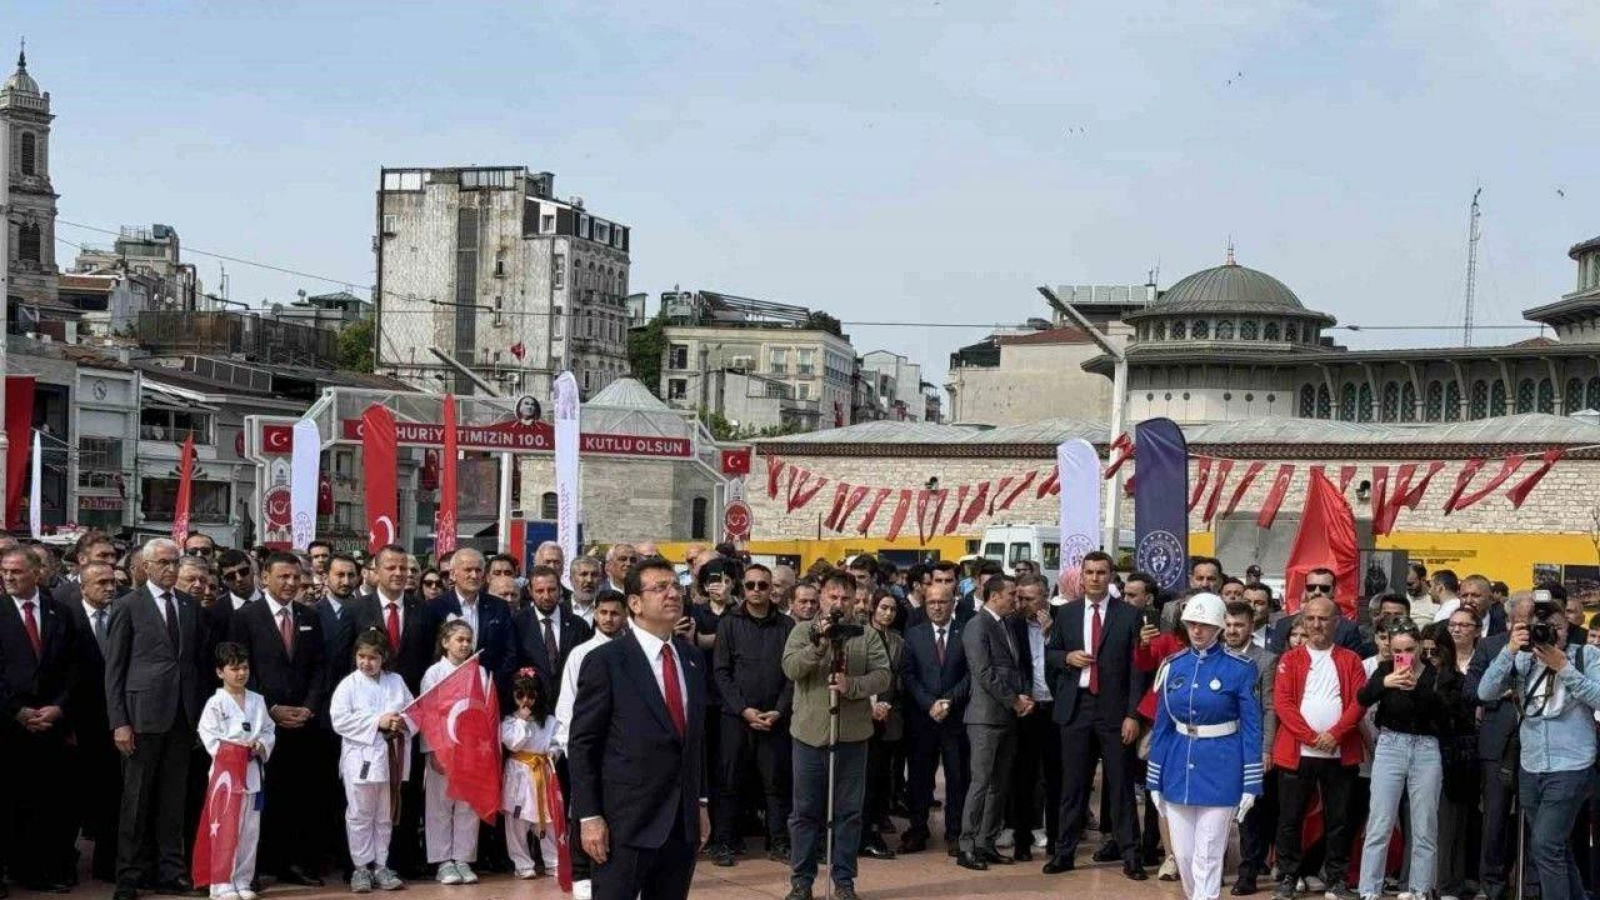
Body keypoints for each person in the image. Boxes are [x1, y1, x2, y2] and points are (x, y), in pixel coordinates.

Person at [569, 557, 709, 900]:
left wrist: (701, 804)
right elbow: (583, 744)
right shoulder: (607, 660)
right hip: (625, 823)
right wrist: (589, 816)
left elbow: (695, 741)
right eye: (660, 588)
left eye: (675, 586)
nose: (673, 594)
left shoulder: (690, 660)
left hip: (680, 823)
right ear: (634, 603)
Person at [1477, 589, 1600, 900]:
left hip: (1571, 765)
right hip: (1531, 765)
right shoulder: (1521, 660)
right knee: (1555, 848)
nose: (1550, 633)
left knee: (1544, 845)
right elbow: (1486, 692)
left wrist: (1565, 668)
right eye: (1541, 627)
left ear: (1568, 626)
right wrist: (1509, 650)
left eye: (1557, 626)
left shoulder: (1587, 656)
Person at [105, 538, 206, 900]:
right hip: (141, 717)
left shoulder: (190, 606)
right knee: (136, 802)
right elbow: (114, 669)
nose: (171, 568)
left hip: (182, 716)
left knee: (173, 802)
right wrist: (119, 721)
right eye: (163, 562)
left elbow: (195, 663)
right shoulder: (128, 606)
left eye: (175, 562)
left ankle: (171, 872)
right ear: (145, 566)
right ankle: (129, 877)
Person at [781, 572, 892, 900]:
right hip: (809, 735)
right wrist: (818, 646)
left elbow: (883, 675)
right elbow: (791, 669)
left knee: (848, 813)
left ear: (856, 600)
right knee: (805, 812)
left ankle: (844, 881)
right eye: (833, 597)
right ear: (822, 597)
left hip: (852, 737)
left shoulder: (867, 635)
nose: (838, 604)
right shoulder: (803, 631)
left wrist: (853, 687)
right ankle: (801, 881)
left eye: (846, 598)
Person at [1146, 593, 1263, 900]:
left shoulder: (1240, 668)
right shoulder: (1173, 666)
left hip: (1221, 768)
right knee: (1183, 856)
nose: (1197, 631)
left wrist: (1251, 781)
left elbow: (1252, 726)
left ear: (1218, 628)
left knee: (1208, 855)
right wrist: (1154, 778)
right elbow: (1162, 726)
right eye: (1192, 624)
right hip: (1178, 767)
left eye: (1205, 625)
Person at [1043, 550, 1147, 881]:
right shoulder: (1067, 614)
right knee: (1073, 785)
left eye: (1101, 572)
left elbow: (1137, 671)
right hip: (1076, 709)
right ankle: (1064, 852)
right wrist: (1066, 658)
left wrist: (1133, 714)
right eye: (1089, 572)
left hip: (1115, 711)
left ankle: (1131, 854)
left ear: (1110, 575)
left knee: (1120, 785)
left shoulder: (1129, 616)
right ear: (1081, 576)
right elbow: (1051, 657)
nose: (1094, 578)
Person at [227, 551, 328, 887]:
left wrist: (309, 706)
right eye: (283, 576)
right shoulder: (246, 617)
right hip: (261, 723)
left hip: (302, 722)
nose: (290, 583)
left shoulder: (309, 615)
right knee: (258, 798)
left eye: (295, 577)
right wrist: (269, 708)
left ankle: (292, 863)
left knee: (297, 795)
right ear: (265, 577)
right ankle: (252, 867)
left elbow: (319, 667)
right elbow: (241, 669)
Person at [1270, 596, 1367, 900]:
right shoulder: (1290, 659)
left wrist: (1336, 734)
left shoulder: (1350, 659)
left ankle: (1336, 879)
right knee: (1290, 819)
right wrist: (1312, 738)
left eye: (1323, 619)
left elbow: (1358, 702)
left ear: (1336, 622)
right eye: (1310, 618)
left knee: (1339, 820)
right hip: (1298, 752)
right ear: (1303, 622)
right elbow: (1283, 705)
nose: (1316, 625)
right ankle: (1288, 875)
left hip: (1340, 752)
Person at [0, 547, 75, 892]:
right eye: (5, 571)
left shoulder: (59, 612)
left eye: (16, 571)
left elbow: (73, 668)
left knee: (47, 801)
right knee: (9, 800)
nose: (9, 577)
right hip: (9, 724)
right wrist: (17, 710)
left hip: (50, 723)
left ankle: (39, 870)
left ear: (35, 573)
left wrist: (59, 707)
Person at [1354, 618, 1443, 900]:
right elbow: (1362, 698)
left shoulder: (1434, 673)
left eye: (1409, 648)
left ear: (1419, 647)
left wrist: (1415, 687)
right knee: (1380, 821)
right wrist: (1385, 682)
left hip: (1427, 747)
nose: (1404, 655)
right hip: (1391, 744)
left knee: (1424, 824)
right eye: (1397, 650)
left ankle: (1420, 889)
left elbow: (1444, 712)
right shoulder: (1383, 669)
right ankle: (1369, 889)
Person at [711, 563, 793, 866]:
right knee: (729, 782)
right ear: (742, 588)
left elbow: (792, 676)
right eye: (750, 585)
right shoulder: (729, 623)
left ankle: (779, 843)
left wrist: (779, 710)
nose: (756, 590)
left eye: (763, 585)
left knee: (776, 784)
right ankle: (723, 842)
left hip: (774, 718)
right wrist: (743, 710)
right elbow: (721, 672)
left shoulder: (787, 626)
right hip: (736, 717)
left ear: (772, 588)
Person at [329, 628, 412, 893]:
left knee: (384, 815)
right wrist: (378, 721)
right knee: (359, 815)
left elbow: (413, 712)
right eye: (362, 656)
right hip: (360, 759)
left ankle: (382, 865)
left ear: (384, 658)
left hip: (390, 759)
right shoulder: (349, 685)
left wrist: (402, 722)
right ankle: (361, 867)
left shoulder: (396, 681)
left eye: (373, 658)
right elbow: (339, 720)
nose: (366, 663)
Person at [196, 642, 276, 900]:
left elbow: (268, 731)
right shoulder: (215, 704)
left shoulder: (258, 700)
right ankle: (221, 883)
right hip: (226, 778)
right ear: (220, 672)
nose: (241, 673)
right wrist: (236, 749)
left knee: (250, 830)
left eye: (244, 667)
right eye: (234, 668)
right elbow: (209, 738)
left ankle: (243, 880)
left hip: (253, 772)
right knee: (225, 828)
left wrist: (259, 745)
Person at [62, 559, 123, 884]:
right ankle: (66, 861)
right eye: (101, 583)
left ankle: (107, 864)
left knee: (113, 796)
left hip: (116, 722)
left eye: (112, 582)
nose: (110, 588)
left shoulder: (123, 614)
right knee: (73, 797)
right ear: (82, 587)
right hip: (78, 722)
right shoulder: (66, 616)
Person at [898, 582, 968, 855]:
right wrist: (930, 704)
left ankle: (954, 833)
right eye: (931, 603)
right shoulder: (914, 635)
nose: (937, 607)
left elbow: (970, 674)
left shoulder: (965, 633)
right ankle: (917, 830)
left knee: (957, 777)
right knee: (919, 778)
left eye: (942, 602)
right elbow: (908, 675)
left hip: (955, 718)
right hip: (923, 719)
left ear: (953, 604)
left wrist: (949, 701)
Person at [421, 620, 489, 884]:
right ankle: (443, 861)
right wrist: (432, 749)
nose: (464, 645)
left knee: (467, 805)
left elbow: (484, 713)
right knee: (440, 805)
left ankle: (463, 858)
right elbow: (427, 713)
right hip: (443, 749)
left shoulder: (478, 673)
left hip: (470, 750)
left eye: (468, 640)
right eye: (459, 639)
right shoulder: (434, 673)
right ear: (445, 642)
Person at [1007, 573, 1061, 862]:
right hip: (1027, 708)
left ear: (1045, 597)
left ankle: (1056, 839)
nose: (1023, 603)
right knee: (1023, 776)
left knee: (1056, 777)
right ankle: (1022, 839)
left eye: (1029, 599)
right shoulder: (1012, 623)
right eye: (1020, 598)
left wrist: (1051, 634)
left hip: (1056, 708)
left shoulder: (1063, 619)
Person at [1434, 610, 1481, 900]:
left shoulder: (1485, 656)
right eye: (1453, 625)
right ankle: (1442, 881)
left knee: (1467, 818)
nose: (1458, 630)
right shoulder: (1439, 663)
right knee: (1442, 817)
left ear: (1477, 630)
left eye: (1464, 625)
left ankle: (1466, 876)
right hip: (1440, 746)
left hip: (1472, 748)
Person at [431, 548, 517, 702]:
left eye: (478, 570)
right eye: (468, 570)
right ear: (453, 574)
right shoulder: (435, 607)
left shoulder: (499, 607)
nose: (474, 575)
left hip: (490, 694)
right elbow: (429, 652)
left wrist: (491, 686)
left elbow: (510, 653)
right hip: (447, 695)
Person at [501, 668, 560, 880]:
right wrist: (523, 720)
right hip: (519, 775)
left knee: (547, 820)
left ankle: (553, 861)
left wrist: (553, 753)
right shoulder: (509, 721)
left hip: (542, 773)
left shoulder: (549, 720)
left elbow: (557, 741)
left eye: (531, 695)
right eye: (520, 695)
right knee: (516, 821)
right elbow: (513, 743)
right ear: (513, 696)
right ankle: (522, 863)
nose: (526, 700)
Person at [860, 591, 905, 862]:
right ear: (873, 609)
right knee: (865, 778)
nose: (887, 613)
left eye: (892, 609)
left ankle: (875, 827)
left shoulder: (898, 642)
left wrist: (886, 704)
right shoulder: (860, 636)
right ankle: (863, 833)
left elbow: (897, 677)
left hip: (888, 717)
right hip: (862, 713)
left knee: (882, 777)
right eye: (883, 608)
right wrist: (871, 704)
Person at [514, 565, 593, 701]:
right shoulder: (517, 624)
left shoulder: (578, 626)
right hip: (532, 706)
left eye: (551, 590)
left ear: (560, 590)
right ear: (530, 591)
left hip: (571, 704)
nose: (546, 596)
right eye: (540, 591)